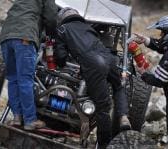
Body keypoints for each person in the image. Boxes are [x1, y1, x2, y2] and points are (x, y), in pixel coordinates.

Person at [54, 7, 131, 147]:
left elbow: (60, 57)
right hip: (109, 58)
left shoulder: (62, 29)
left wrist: (62, 61)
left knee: (102, 109)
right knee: (119, 86)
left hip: (93, 64)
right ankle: (124, 117)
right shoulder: (87, 26)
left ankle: (103, 145)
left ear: (61, 19)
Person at [0, 0, 58, 130]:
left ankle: (17, 117)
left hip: (6, 36)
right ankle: (30, 120)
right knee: (25, 80)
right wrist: (51, 36)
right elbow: (51, 16)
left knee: (13, 79)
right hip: (24, 37)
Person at [133, 15, 168, 149]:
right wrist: (146, 40)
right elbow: (163, 46)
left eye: (163, 33)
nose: (161, 35)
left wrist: (143, 74)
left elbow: (159, 81)